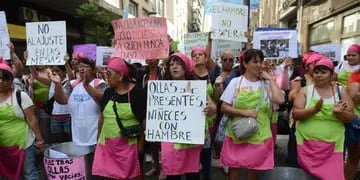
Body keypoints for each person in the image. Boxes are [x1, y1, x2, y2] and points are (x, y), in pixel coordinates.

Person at [219, 49, 284, 180]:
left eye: (260, 61)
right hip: (237, 133)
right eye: (255, 61)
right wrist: (244, 112)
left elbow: (280, 100)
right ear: (245, 64)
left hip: (259, 135)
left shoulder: (266, 84)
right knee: (234, 167)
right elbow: (224, 107)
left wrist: (271, 79)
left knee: (254, 168)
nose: (259, 64)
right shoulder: (236, 82)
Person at [292, 56, 354, 180]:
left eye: (323, 72)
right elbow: (295, 114)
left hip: (332, 149)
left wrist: (339, 113)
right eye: (316, 72)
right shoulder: (305, 91)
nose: (319, 75)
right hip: (307, 146)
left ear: (331, 75)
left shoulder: (340, 91)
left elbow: (350, 117)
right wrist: (314, 110)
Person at [161, 52, 216, 180]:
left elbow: (213, 107)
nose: (174, 67)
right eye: (172, 64)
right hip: (170, 139)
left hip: (190, 139)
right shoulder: (162, 88)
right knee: (172, 174)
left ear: (185, 67)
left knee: (192, 173)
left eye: (178, 64)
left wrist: (210, 108)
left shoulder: (196, 88)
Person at [91, 57, 146, 179]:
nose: (106, 77)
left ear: (120, 75)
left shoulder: (137, 93)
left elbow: (144, 121)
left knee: (134, 175)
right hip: (107, 146)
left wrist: (141, 144)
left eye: (109, 74)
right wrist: (98, 140)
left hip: (129, 146)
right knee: (110, 175)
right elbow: (102, 117)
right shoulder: (108, 92)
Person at [0, 57, 45, 179]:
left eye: (5, 78)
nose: (1, 81)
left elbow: (32, 119)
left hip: (24, 143)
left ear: (11, 80)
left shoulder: (21, 96)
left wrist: (39, 140)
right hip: (3, 146)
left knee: (29, 173)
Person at [48, 57, 108, 146]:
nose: (82, 69)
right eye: (80, 66)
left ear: (93, 69)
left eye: (85, 66)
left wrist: (87, 85)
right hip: (77, 135)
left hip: (96, 134)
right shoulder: (72, 84)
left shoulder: (100, 84)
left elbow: (103, 101)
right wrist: (58, 84)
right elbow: (61, 100)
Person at [345, 43, 360, 180]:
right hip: (356, 119)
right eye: (348, 55)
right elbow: (354, 98)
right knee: (354, 156)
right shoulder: (356, 75)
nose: (350, 57)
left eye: (353, 55)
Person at [48, 65, 71, 143]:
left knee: (70, 141)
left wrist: (66, 63)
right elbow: (36, 76)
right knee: (60, 142)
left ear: (64, 72)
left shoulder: (70, 82)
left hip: (68, 116)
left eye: (58, 71)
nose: (55, 73)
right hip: (55, 116)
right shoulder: (52, 82)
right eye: (53, 71)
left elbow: (72, 76)